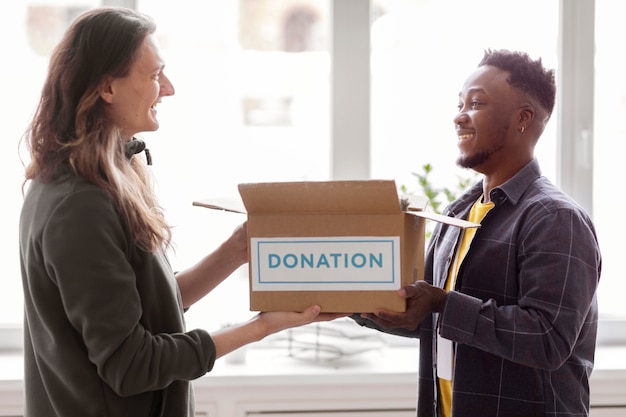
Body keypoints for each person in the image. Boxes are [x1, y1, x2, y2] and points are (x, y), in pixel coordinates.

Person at [19, 7, 343, 417]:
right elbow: (132, 364)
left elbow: (144, 310)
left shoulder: (86, 185)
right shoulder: (79, 206)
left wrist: (234, 252)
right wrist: (262, 327)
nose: (168, 89)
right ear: (107, 88)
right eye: (154, 75)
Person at [352, 49, 602, 417]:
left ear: (522, 118)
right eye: (460, 103)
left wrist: (441, 302)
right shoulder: (459, 215)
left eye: (476, 103)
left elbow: (549, 338)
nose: (458, 116)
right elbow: (433, 321)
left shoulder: (555, 218)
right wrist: (352, 299)